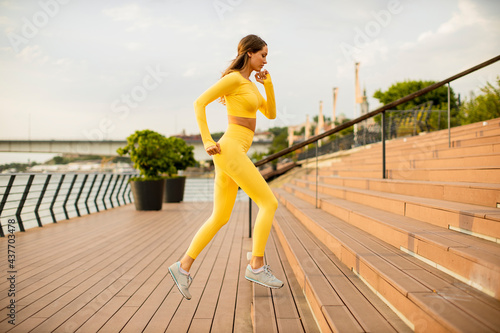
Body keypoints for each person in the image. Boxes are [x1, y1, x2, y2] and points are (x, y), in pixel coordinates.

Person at [168, 34, 283, 300]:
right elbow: (199, 103)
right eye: (263, 55)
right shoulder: (233, 79)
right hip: (229, 148)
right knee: (269, 203)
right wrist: (206, 139)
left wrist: (268, 84)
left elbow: (271, 114)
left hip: (234, 151)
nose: (266, 60)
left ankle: (182, 267)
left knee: (220, 217)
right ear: (250, 53)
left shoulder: (251, 85)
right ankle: (256, 265)